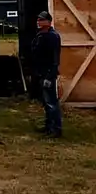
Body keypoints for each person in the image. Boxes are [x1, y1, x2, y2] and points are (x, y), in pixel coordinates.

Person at [31, 10, 62, 138]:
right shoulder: (41, 35)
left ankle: (56, 129)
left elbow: (55, 59)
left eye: (41, 20)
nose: (38, 22)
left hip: (48, 73)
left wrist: (50, 76)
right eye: (38, 20)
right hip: (40, 72)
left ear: (48, 22)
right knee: (46, 102)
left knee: (51, 102)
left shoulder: (52, 36)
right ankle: (49, 126)